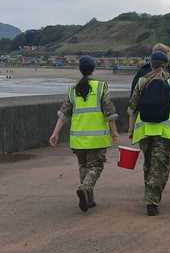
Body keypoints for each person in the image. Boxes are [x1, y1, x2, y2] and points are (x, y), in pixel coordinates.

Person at [49, 55, 119, 212]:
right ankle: (85, 188)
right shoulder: (100, 87)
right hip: (97, 139)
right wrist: (114, 132)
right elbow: (110, 113)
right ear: (93, 69)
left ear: (80, 69)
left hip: (78, 139)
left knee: (83, 166)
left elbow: (63, 114)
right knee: (96, 167)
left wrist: (55, 133)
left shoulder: (73, 90)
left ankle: (89, 199)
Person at [127, 50, 170, 216]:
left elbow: (132, 107)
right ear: (166, 64)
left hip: (144, 130)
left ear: (151, 64)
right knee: (161, 167)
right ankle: (152, 201)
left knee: (148, 164)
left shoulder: (142, 82)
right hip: (165, 131)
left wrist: (131, 129)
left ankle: (149, 192)